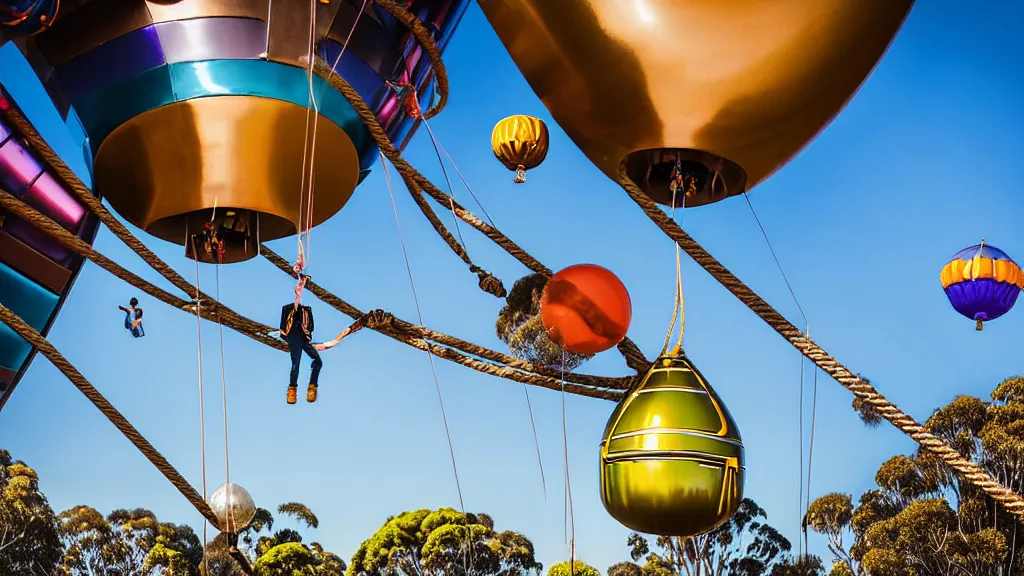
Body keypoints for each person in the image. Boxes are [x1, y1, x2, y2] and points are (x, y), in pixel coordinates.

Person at [279, 277, 322, 405]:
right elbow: (297, 294)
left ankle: (310, 387)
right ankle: (293, 389)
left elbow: (311, 326)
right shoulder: (289, 310)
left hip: (302, 338)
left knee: (317, 361)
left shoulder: (306, 311)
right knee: (296, 363)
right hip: (295, 336)